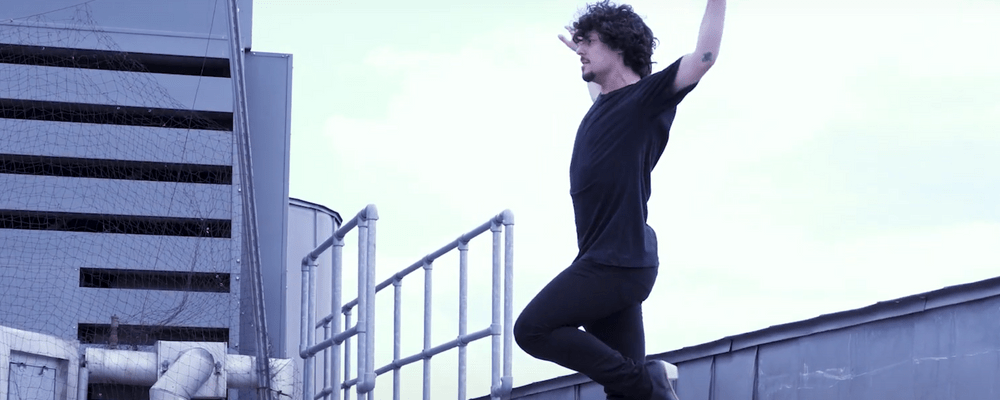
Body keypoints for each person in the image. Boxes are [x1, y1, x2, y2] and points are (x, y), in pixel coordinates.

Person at [513, 1, 725, 399]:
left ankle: (648, 381)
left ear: (618, 46)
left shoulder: (645, 100)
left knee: (532, 330)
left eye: (589, 42)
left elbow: (704, 57)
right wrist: (582, 50)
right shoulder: (603, 104)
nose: (580, 49)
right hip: (608, 261)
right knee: (624, 394)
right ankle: (642, 386)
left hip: (617, 262)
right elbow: (598, 82)